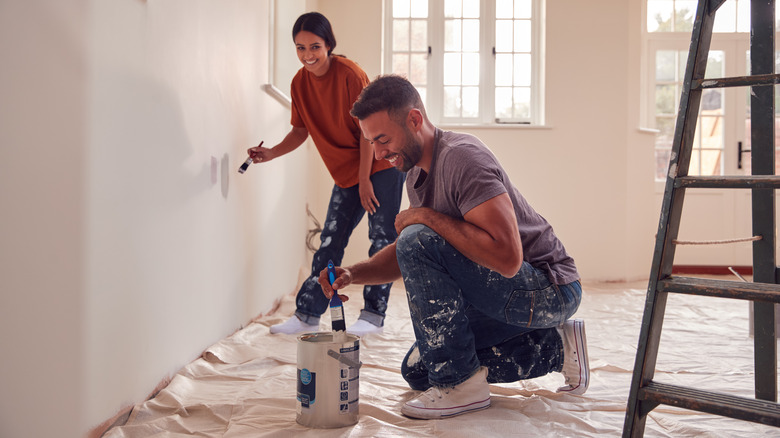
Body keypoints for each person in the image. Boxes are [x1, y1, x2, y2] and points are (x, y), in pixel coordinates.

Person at [319, 75, 588, 419]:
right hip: (507, 294)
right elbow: (407, 254)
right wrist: (351, 274)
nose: (378, 153)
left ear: (414, 120)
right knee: (420, 370)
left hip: (549, 290)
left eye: (383, 139)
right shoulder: (416, 175)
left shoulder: (463, 158)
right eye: (371, 142)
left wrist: (425, 217)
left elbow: (507, 259)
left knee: (420, 242)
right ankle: (559, 348)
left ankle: (461, 385)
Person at [247, 13, 405, 337]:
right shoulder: (298, 84)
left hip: (383, 163)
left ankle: (373, 316)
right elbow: (300, 130)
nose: (308, 55)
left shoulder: (350, 74)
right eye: (300, 48)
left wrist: (365, 180)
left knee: (381, 239)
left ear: (328, 45)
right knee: (330, 242)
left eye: (315, 46)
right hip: (349, 172)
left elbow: (367, 132)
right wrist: (271, 153)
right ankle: (306, 314)